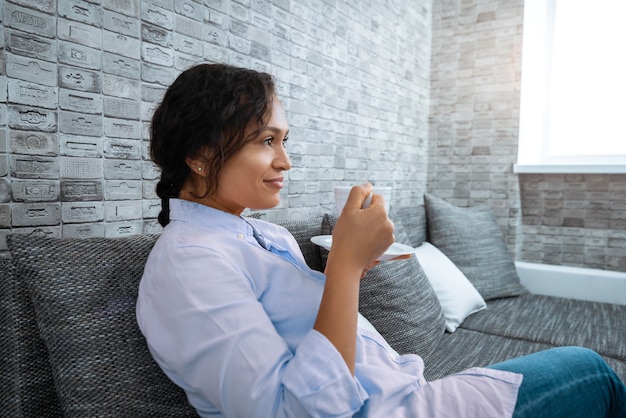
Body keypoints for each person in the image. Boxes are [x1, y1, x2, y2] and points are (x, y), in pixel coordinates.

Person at [136, 63, 626, 418]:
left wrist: (346, 267)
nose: (286, 161)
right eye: (267, 141)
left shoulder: (263, 234)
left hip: (403, 393)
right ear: (201, 156)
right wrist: (345, 267)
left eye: (285, 141)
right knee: (589, 369)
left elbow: (305, 331)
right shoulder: (189, 263)